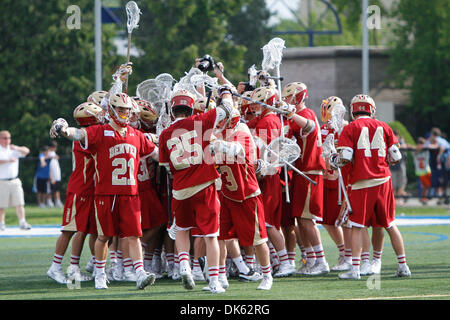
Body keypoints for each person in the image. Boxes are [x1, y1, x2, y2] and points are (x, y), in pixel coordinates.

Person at [50, 91, 158, 291]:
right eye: (121, 109)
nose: (125, 113)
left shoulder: (136, 135)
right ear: (112, 110)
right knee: (104, 236)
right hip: (106, 194)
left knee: (133, 235)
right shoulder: (100, 131)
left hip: (130, 194)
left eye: (127, 109)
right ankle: (100, 273)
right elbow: (80, 133)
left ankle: (140, 272)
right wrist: (65, 131)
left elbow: (156, 154)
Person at [158, 87, 233, 294]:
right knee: (211, 235)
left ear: (172, 111)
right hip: (204, 185)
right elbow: (228, 107)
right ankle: (215, 282)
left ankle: (184, 265)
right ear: (191, 109)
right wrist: (225, 91)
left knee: (182, 229)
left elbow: (165, 166)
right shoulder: (200, 121)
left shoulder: (164, 134)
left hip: (180, 189)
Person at [331, 94, 411, 279]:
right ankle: (403, 265)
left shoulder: (351, 128)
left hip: (362, 181)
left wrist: (335, 159)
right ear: (371, 109)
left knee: (357, 226)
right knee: (390, 224)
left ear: (353, 110)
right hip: (383, 180)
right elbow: (396, 157)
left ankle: (356, 270)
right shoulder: (384, 126)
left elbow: (345, 158)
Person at [213, 107, 274, 290]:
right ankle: (220, 276)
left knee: (258, 239)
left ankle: (267, 275)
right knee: (221, 237)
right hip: (227, 194)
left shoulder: (242, 134)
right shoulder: (217, 136)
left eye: (221, 119)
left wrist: (213, 142)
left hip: (247, 195)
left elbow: (236, 150)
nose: (218, 123)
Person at [47, 101, 103, 285]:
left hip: (88, 188)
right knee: (70, 229)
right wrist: (63, 128)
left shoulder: (91, 132)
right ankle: (55, 267)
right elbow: (72, 132)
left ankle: (74, 268)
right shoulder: (87, 136)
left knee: (82, 229)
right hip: (80, 188)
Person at [280, 82, 330, 276]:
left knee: (307, 219)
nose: (286, 100)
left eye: (289, 97)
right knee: (301, 219)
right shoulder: (297, 115)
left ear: (297, 97)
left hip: (309, 172)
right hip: (302, 171)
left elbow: (307, 126)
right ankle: (310, 258)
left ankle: (321, 260)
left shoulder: (306, 115)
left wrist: (290, 114)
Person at [0, 130, 31, 231]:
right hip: (2, 181)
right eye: (5, 138)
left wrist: (16, 148)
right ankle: (1, 223)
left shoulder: (13, 149)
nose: (7, 140)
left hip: (15, 180)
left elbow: (27, 151)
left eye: (8, 138)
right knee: (1, 204)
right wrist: (8, 160)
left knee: (19, 202)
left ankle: (22, 222)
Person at [425, 128, 449, 204]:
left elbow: (442, 147)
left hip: (443, 165)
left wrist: (439, 155)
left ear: (433, 134)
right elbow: (427, 145)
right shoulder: (438, 140)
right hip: (439, 165)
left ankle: (442, 197)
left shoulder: (439, 140)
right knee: (440, 181)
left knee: (441, 181)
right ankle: (441, 198)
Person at [390, 130, 408, 206]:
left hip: (400, 166)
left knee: (401, 185)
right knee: (393, 185)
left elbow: (404, 146)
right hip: (392, 166)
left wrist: (400, 141)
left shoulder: (400, 142)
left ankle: (398, 199)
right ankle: (394, 200)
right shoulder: (390, 142)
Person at [413, 137, 432, 204]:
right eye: (420, 143)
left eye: (422, 144)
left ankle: (424, 198)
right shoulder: (415, 151)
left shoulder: (426, 150)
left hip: (427, 171)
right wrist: (418, 148)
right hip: (420, 172)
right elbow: (414, 152)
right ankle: (423, 198)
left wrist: (424, 145)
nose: (421, 145)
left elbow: (429, 146)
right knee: (423, 187)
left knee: (427, 186)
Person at [48, 140, 64, 208]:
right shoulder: (49, 153)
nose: (55, 148)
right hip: (52, 175)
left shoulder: (53, 153)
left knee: (56, 189)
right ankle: (50, 201)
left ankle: (57, 201)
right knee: (51, 189)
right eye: (54, 146)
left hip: (56, 175)